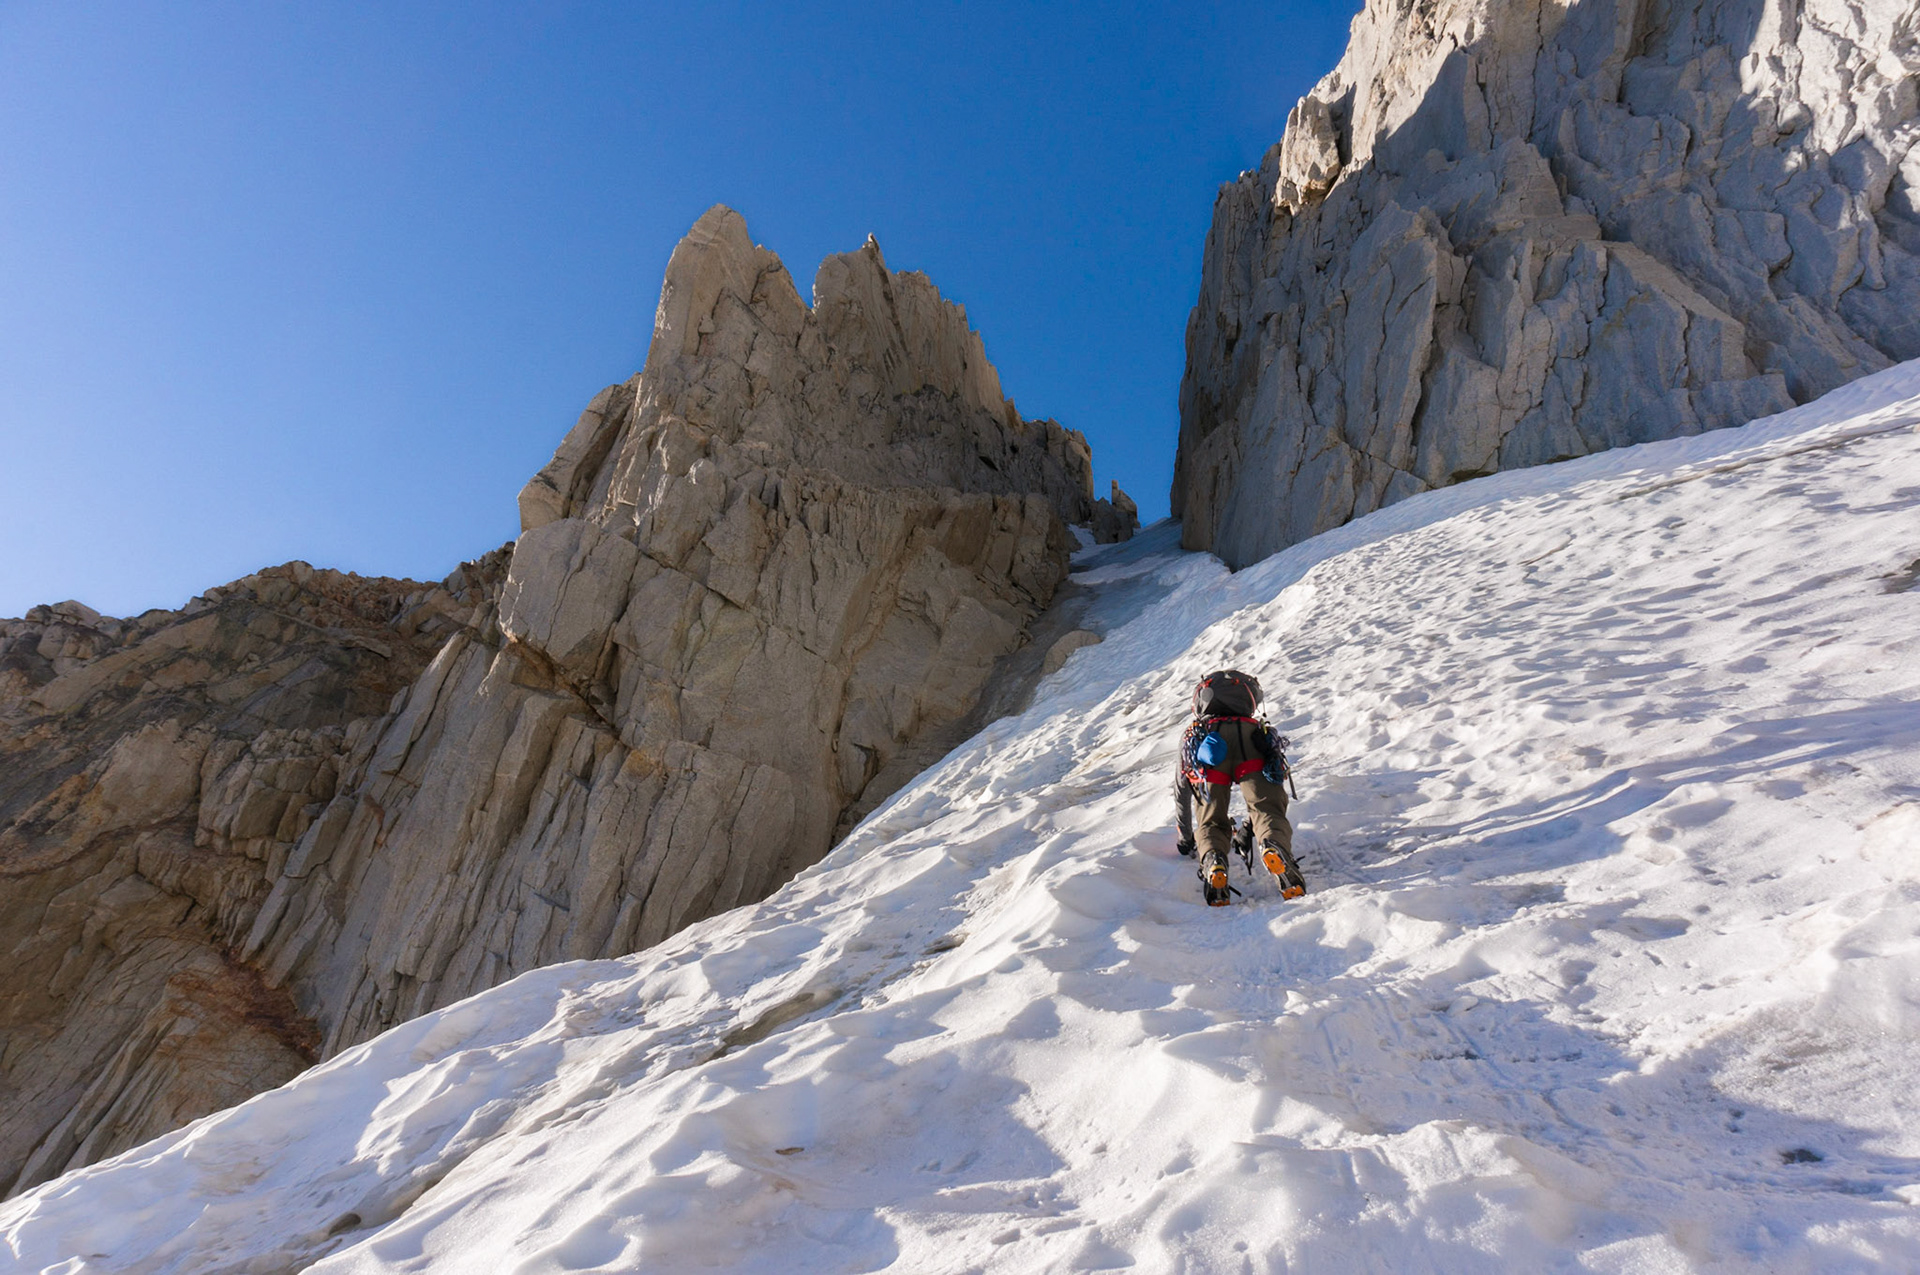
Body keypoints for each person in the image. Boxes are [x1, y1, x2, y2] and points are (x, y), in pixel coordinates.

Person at [1174, 668, 1305, 906]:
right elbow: (1262, 800)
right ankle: (1273, 846)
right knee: (1267, 810)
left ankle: (1214, 860)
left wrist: (1186, 839)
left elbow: (1182, 788)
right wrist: (1249, 827)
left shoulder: (1195, 734)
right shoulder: (1258, 729)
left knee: (1211, 822)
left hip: (1210, 746)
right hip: (1251, 743)